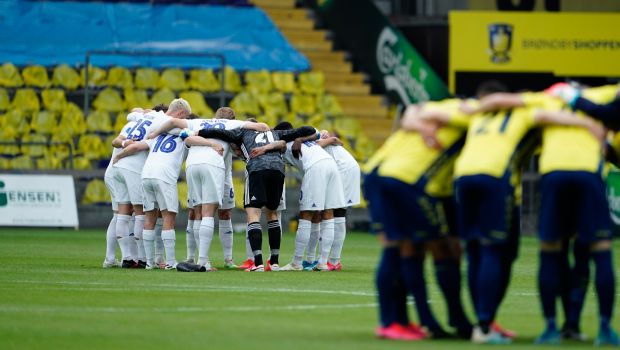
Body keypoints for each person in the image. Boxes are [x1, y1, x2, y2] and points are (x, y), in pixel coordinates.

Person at [454, 87, 606, 344]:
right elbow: (552, 117)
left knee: (475, 250)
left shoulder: (475, 115)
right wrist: (587, 122)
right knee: (493, 250)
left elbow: (420, 113)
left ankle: (483, 323)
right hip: (495, 176)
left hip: (462, 177)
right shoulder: (525, 114)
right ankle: (484, 326)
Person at [363, 99, 473, 340]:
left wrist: (421, 122)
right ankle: (393, 321)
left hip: (378, 173)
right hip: (403, 179)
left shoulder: (436, 108)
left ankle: (406, 321)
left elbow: (412, 112)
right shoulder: (469, 116)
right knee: (408, 247)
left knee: (409, 247)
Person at [147, 107, 269, 271]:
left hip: (191, 164)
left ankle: (198, 258)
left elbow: (172, 122)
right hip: (212, 164)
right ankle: (203, 262)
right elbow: (262, 127)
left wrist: (154, 134)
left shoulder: (199, 122)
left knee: (197, 212)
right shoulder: (232, 124)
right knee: (208, 213)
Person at [192, 123, 317, 271]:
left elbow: (220, 132)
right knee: (272, 213)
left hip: (257, 169)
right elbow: (308, 129)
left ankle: (257, 263)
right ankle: (274, 262)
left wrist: (199, 131)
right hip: (278, 170)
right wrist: (298, 139)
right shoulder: (276, 133)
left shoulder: (242, 132)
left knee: (253, 214)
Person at [250, 122, 346, 272]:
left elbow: (276, 145)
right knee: (328, 214)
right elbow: (319, 133)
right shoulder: (309, 139)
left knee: (306, 215)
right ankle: (322, 263)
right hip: (330, 165)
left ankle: (297, 262)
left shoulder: (284, 143)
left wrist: (263, 148)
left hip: (315, 168)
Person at [112, 98, 193, 270]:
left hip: (146, 174)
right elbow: (193, 139)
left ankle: (148, 262)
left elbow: (136, 147)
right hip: (164, 176)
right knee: (168, 217)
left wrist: (119, 156)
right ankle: (170, 262)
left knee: (149, 217)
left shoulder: (155, 132)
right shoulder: (184, 131)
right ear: (180, 114)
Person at [109, 104, 172, 268]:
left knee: (122, 213)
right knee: (140, 213)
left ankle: (126, 257)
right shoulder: (160, 122)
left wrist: (124, 145)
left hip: (117, 168)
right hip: (134, 168)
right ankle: (143, 258)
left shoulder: (132, 123)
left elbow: (115, 141)